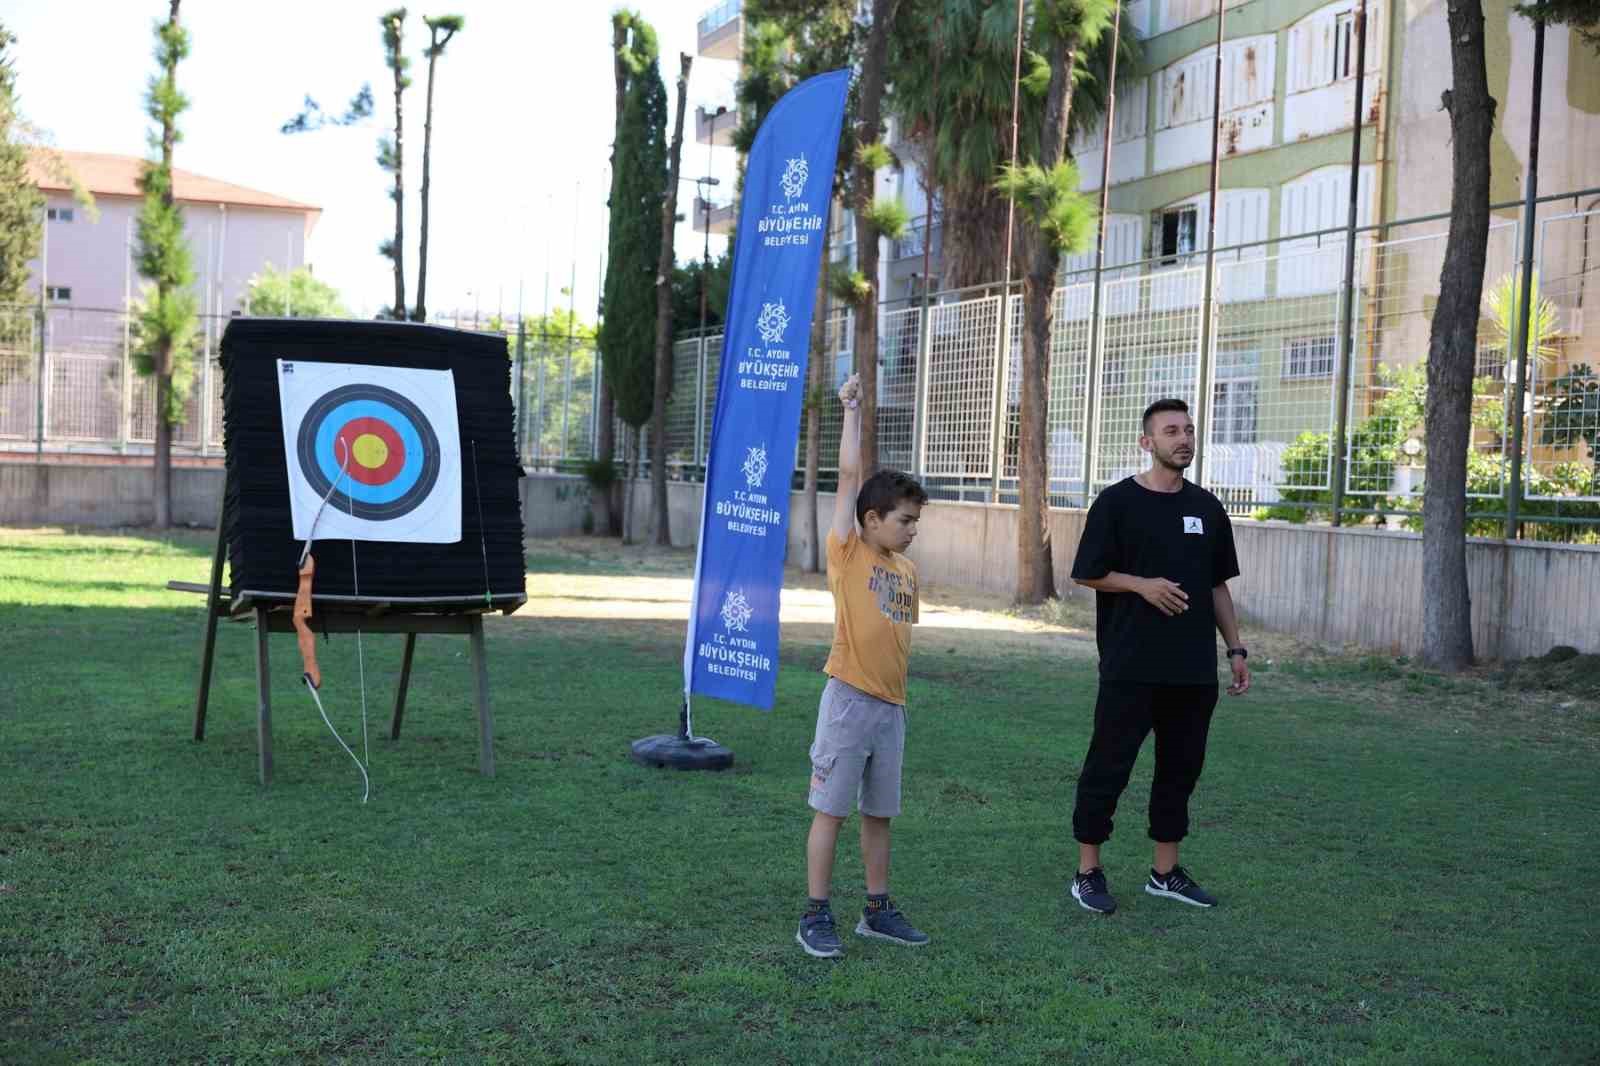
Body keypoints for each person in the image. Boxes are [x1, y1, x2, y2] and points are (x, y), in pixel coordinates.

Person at [1066, 397, 1251, 915]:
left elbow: (1217, 586)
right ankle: (1087, 871)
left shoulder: (1207, 509)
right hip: (1131, 667)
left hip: (1193, 672)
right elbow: (1087, 571)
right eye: (1171, 431)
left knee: (1180, 772)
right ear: (1147, 443)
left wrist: (1235, 649)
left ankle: (1165, 873)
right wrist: (1141, 585)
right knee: (1108, 767)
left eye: (1188, 429)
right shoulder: (1117, 503)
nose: (1183, 438)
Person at [796, 372, 931, 959]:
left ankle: (876, 910)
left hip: (891, 708)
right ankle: (815, 914)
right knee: (832, 811)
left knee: (880, 813)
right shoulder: (849, 552)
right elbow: (850, 477)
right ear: (871, 519)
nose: (911, 530)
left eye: (916, 522)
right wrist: (852, 409)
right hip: (849, 700)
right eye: (904, 520)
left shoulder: (906, 572)